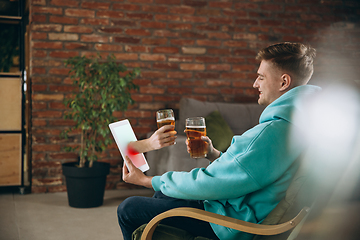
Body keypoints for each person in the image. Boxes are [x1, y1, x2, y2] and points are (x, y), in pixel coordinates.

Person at [117, 42, 321, 240]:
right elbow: (249, 171)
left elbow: (211, 181)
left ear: (284, 82)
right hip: (240, 209)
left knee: (129, 208)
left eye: (261, 77)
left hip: (232, 223)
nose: (255, 84)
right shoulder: (301, 125)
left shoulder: (272, 132)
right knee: (165, 196)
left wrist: (147, 180)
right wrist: (214, 154)